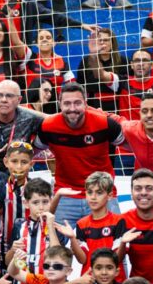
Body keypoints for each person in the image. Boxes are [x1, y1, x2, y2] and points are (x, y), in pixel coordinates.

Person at [36, 82, 124, 227]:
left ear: (85, 103)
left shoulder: (105, 124)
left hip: (102, 194)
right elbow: (31, 152)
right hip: (66, 196)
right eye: (67, 103)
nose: (72, 108)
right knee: (55, 245)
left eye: (77, 103)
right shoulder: (48, 126)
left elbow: (131, 144)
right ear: (59, 104)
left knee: (112, 245)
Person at [87, 41, 153, 121]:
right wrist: (93, 54)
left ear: (152, 64)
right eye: (136, 61)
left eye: (144, 60)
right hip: (128, 140)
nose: (140, 64)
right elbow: (99, 74)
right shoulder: (121, 82)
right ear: (131, 65)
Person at [0, 80, 43, 173]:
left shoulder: (30, 119)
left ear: (19, 99)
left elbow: (49, 131)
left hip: (18, 171)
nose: (4, 100)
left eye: (9, 96)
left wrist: (32, 150)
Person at [68, 172, 122, 275]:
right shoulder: (81, 224)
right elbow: (83, 260)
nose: (93, 197)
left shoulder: (119, 221)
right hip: (89, 280)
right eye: (89, 192)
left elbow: (118, 258)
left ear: (110, 195)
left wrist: (123, 243)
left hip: (113, 281)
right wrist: (72, 239)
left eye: (99, 192)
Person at [75, 27, 126, 114]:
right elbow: (80, 85)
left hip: (117, 108)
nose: (102, 43)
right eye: (99, 40)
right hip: (92, 107)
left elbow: (126, 86)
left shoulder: (124, 61)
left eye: (106, 40)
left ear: (112, 43)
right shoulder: (86, 61)